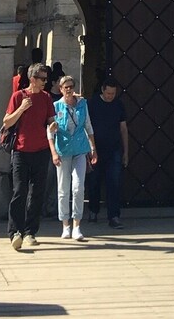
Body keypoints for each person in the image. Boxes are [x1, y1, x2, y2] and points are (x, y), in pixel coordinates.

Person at [2, 63, 56, 251]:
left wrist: (53, 125)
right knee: (19, 192)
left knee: (36, 193)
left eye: (46, 79)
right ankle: (14, 232)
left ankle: (30, 232)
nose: (45, 82)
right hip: (21, 151)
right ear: (32, 79)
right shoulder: (18, 96)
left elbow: (50, 119)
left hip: (41, 151)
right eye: (42, 79)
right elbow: (7, 122)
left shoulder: (47, 97)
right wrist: (22, 109)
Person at [48, 75, 97, 241]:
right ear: (60, 89)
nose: (68, 90)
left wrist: (93, 148)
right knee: (63, 189)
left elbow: (88, 125)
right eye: (65, 87)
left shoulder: (82, 104)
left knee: (78, 187)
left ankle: (77, 225)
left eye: (71, 86)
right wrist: (54, 152)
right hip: (63, 150)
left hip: (80, 150)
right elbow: (50, 132)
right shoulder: (56, 106)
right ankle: (65, 225)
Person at [85, 77, 129, 228]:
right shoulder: (92, 104)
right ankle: (93, 210)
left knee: (114, 183)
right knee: (94, 182)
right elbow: (86, 127)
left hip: (114, 149)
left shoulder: (118, 105)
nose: (111, 96)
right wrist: (89, 150)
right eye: (109, 93)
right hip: (95, 149)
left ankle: (114, 216)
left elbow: (123, 128)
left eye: (113, 93)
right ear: (103, 90)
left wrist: (126, 152)